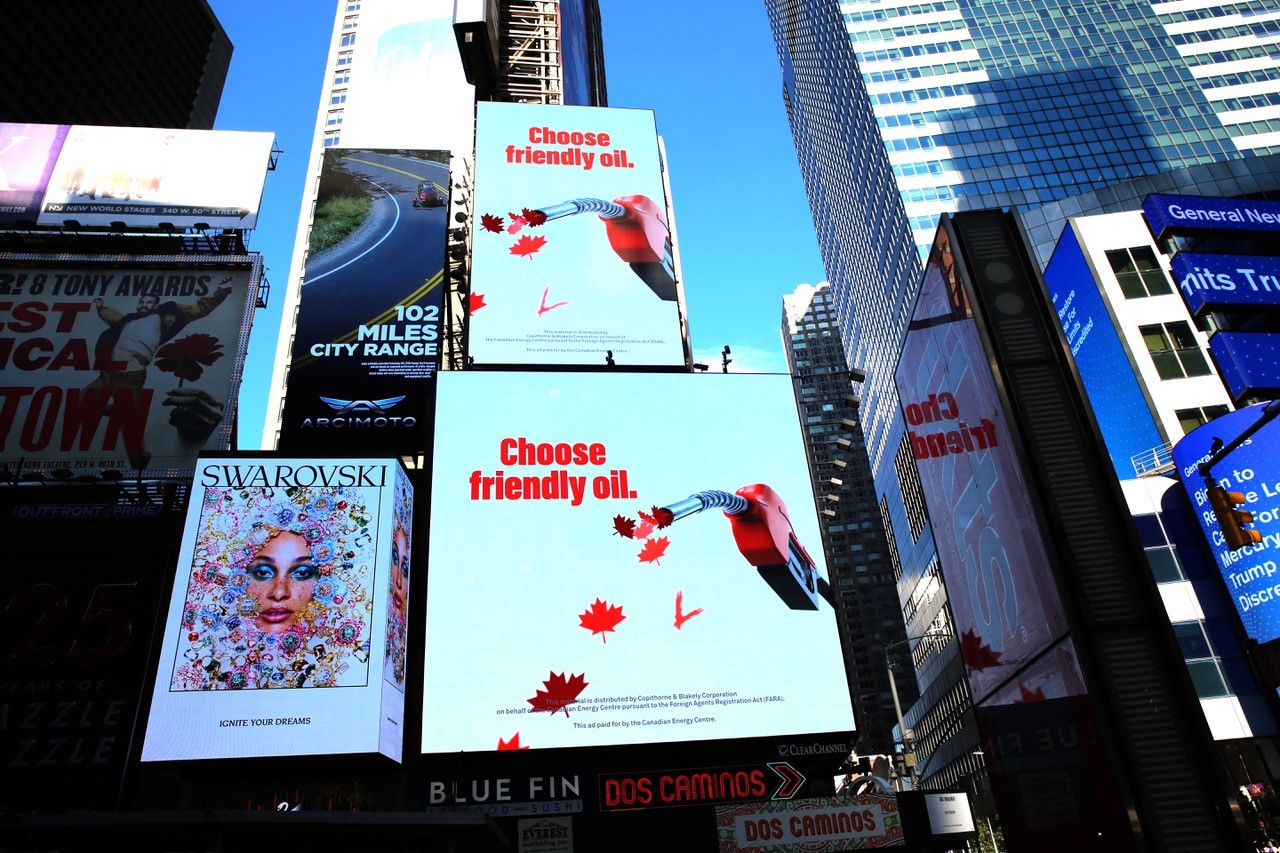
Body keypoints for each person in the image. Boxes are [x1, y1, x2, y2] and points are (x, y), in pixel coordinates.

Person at [171, 485, 374, 691]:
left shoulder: (344, 672)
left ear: (325, 581)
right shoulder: (207, 663)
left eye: (302, 573)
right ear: (238, 576)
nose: (279, 593)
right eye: (263, 572)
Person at [88, 276, 234, 393]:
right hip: (106, 374)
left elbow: (199, 308)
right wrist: (101, 308)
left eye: (149, 303)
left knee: (129, 421)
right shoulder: (129, 320)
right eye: (142, 302)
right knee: (80, 404)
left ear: (156, 306)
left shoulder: (163, 319)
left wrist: (221, 292)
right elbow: (113, 317)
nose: (144, 305)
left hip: (129, 376)